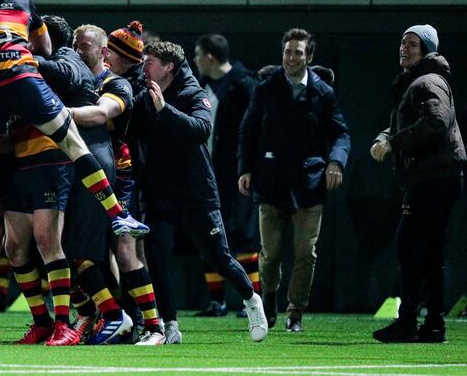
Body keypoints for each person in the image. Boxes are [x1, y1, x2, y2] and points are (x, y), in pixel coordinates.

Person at [0, 0, 147, 265]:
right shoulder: (22, 3)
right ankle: (118, 213)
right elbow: (45, 49)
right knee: (73, 143)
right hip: (25, 79)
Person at [130, 41, 269, 344]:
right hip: (157, 194)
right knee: (157, 258)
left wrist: (164, 111)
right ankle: (169, 326)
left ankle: (250, 298)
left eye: (150, 62)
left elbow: (200, 129)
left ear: (168, 67)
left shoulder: (192, 93)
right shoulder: (142, 96)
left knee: (217, 256)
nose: (144, 67)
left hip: (195, 191)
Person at [238, 28, 350, 333]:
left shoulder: (323, 92)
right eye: (287, 52)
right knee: (270, 252)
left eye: (298, 52)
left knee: (305, 252)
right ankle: (269, 299)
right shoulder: (266, 87)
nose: (291, 57)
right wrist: (245, 169)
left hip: (310, 182)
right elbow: (248, 130)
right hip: (270, 181)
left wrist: (336, 162)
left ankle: (295, 312)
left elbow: (340, 132)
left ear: (309, 57)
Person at [70, 24, 164, 345]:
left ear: (104, 52)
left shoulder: (116, 83)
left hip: (116, 177)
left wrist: (55, 112)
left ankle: (154, 328)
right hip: (81, 172)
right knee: (76, 253)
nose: (77, 52)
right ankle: (111, 318)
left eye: (84, 47)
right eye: (73, 45)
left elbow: (100, 114)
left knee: (123, 251)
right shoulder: (73, 80)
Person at [370, 24, 465, 343]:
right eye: (402, 42)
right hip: (440, 177)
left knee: (409, 248)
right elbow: (415, 121)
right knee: (431, 253)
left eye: (412, 44)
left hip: (431, 178)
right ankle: (434, 324)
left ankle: (408, 322)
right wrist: (387, 135)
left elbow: (437, 122)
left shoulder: (427, 81)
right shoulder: (421, 80)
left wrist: (394, 143)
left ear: (427, 49)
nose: (404, 48)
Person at [193, 34, 260, 318]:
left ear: (209, 56)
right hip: (209, 173)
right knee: (209, 233)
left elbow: (254, 130)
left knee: (242, 235)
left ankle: (251, 299)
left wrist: (249, 167)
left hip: (237, 173)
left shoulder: (244, 84)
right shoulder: (199, 87)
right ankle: (216, 301)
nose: (194, 61)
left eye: (197, 55)